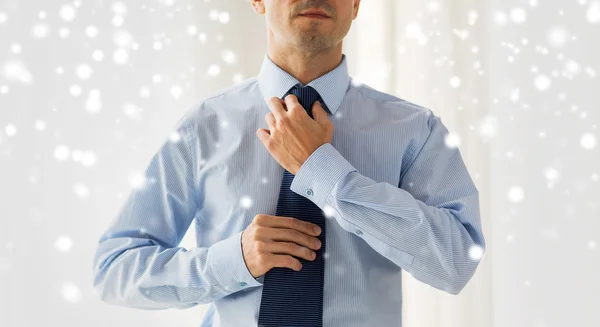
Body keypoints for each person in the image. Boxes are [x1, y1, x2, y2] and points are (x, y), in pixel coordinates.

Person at [92, 0, 486, 326]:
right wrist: (234, 261)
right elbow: (115, 269)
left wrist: (323, 170)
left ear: (355, 4)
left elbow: (455, 262)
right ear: (258, 1)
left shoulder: (414, 130)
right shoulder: (205, 127)